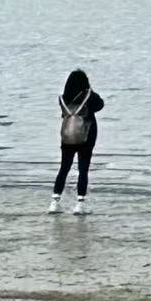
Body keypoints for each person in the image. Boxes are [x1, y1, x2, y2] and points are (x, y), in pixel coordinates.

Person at [50, 69, 104, 215]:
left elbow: (64, 114)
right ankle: (80, 205)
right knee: (83, 170)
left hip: (67, 136)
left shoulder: (62, 99)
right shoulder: (89, 96)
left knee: (64, 168)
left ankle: (54, 203)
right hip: (86, 136)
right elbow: (100, 105)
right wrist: (90, 91)